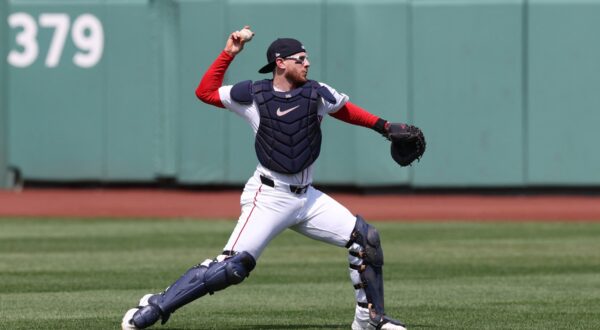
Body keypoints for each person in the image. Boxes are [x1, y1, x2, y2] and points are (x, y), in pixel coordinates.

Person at [122, 26, 409, 330]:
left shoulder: (317, 92)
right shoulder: (254, 94)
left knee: (366, 239)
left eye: (307, 58)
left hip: (307, 198)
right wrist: (229, 53)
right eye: (300, 59)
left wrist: (384, 126)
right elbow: (204, 92)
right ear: (280, 63)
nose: (307, 63)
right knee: (232, 267)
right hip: (269, 196)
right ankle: (155, 306)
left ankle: (370, 320)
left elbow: (345, 110)